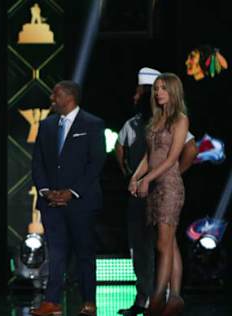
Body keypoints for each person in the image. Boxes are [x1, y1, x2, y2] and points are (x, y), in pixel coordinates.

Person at [116, 68, 198, 316]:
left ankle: (158, 298)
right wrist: (136, 177)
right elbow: (148, 156)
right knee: (167, 242)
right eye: (156, 89)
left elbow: (174, 156)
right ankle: (173, 299)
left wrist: (151, 178)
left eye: (163, 88)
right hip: (152, 186)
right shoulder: (155, 120)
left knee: (163, 245)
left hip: (168, 187)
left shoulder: (180, 119)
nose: (158, 93)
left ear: (173, 91)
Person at [31, 81, 106, 316]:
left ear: (70, 97)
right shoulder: (47, 125)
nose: (51, 98)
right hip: (51, 202)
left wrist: (72, 192)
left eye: (56, 94)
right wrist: (45, 190)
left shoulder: (93, 124)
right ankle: (51, 301)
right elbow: (38, 162)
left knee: (84, 251)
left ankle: (88, 302)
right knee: (56, 252)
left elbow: (96, 163)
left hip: (81, 201)